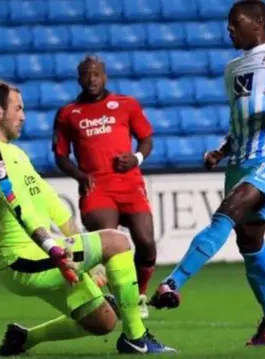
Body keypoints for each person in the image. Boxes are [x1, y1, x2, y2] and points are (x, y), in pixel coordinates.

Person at [149, 0, 265, 346]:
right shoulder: (233, 68)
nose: (229, 30)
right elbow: (240, 120)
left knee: (230, 209)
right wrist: (221, 151)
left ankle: (173, 283)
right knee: (249, 241)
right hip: (240, 161)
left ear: (258, 22)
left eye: (235, 23)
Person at [0, 80, 175, 355]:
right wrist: (54, 249)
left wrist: (88, 255)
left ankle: (25, 338)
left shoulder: (14, 152)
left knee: (104, 320)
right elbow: (20, 208)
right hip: (23, 261)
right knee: (118, 243)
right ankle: (136, 338)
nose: (24, 116)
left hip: (43, 256)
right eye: (18, 108)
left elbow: (49, 201)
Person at [53, 56, 156, 318]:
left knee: (146, 242)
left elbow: (146, 139)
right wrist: (79, 176)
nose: (92, 79)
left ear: (105, 76)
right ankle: (126, 300)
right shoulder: (68, 113)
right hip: (96, 187)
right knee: (111, 245)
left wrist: (137, 158)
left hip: (130, 184)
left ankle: (139, 293)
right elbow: (61, 156)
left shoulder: (126, 105)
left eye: (96, 74)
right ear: (79, 79)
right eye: (86, 75)